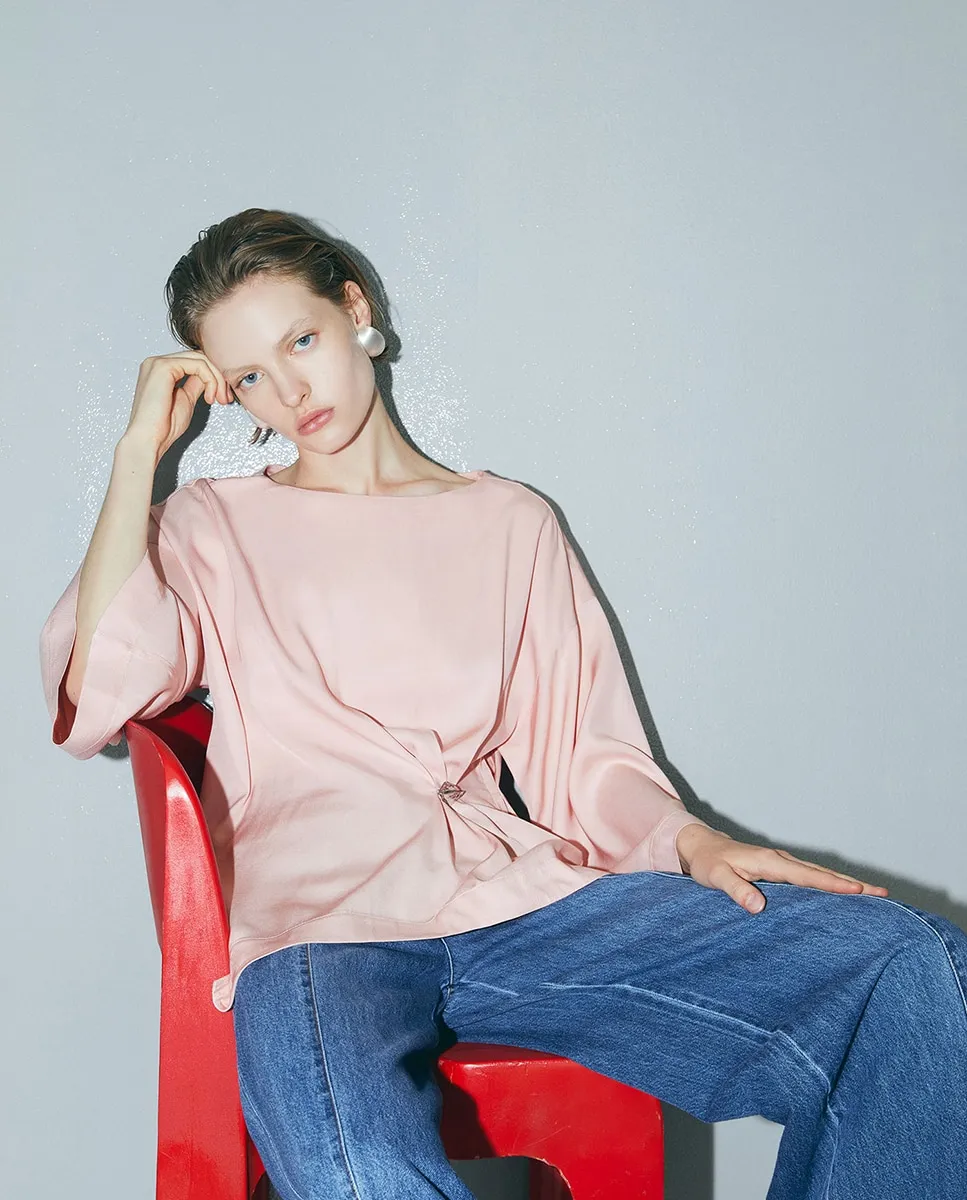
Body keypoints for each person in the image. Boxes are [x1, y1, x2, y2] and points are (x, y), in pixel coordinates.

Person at [40, 207, 967, 1200]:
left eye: (300, 341)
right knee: (360, 1169)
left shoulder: (509, 521)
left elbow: (581, 754)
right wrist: (138, 455)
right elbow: (99, 694)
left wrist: (688, 842)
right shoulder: (210, 525)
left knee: (908, 968)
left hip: (517, 907)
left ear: (355, 309)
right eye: (252, 377)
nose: (291, 391)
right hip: (319, 931)